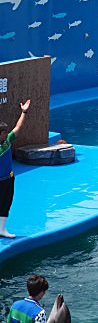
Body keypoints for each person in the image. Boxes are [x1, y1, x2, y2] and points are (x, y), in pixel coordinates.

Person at [0, 99, 30, 239]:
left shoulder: (7, 141)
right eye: (4, 132)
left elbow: (18, 127)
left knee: (6, 203)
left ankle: (1, 229)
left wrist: (24, 112)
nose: (6, 133)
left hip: (8, 178)